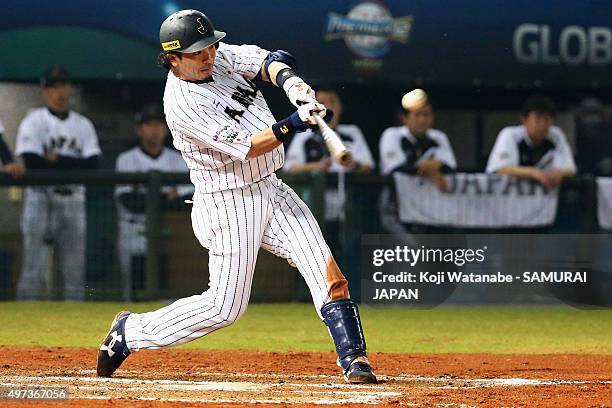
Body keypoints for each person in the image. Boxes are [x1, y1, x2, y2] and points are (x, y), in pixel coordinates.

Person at [96, 9, 377, 384]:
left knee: (323, 266)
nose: (208, 56)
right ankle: (130, 332)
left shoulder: (219, 56)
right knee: (225, 307)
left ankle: (354, 358)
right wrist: (294, 122)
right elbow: (248, 146)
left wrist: (292, 84)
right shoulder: (182, 105)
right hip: (227, 200)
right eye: (197, 53)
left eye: (210, 46)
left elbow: (269, 61)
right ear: (173, 58)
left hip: (270, 188)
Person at [15, 66, 101, 300]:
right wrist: (72, 163)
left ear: (70, 88)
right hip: (39, 198)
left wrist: (56, 159)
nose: (59, 92)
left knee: (74, 268)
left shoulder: (83, 125)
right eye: (53, 86)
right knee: (34, 265)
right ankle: (27, 317)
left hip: (72, 199)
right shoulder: (33, 122)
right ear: (45, 91)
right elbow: (32, 163)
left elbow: (92, 165)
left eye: (63, 85)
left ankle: (73, 320)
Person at [115, 104, 192, 301]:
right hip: (134, 230)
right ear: (139, 129)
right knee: (133, 292)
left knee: (166, 291)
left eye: (158, 124)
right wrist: (167, 197)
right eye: (148, 124)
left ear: (166, 129)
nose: (154, 130)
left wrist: (153, 198)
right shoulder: (126, 159)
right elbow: (129, 201)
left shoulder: (178, 159)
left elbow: (188, 200)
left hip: (168, 232)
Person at [283, 87, 374, 252]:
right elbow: (289, 168)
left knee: (347, 257)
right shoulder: (304, 135)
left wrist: (353, 164)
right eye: (322, 102)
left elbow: (369, 166)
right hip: (314, 210)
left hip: (347, 211)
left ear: (340, 107)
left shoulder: (352, 132)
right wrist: (315, 166)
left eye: (332, 101)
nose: (327, 106)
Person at [378, 90, 456, 233]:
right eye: (417, 114)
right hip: (396, 206)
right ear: (405, 118)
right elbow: (394, 168)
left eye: (426, 114)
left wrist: (435, 166)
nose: (422, 120)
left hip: (430, 207)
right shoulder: (392, 135)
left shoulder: (439, 137)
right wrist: (432, 168)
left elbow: (450, 167)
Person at [486, 95, 576, 189]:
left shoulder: (556, 136)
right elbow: (500, 169)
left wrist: (560, 174)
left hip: (543, 197)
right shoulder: (510, 135)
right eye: (537, 119)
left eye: (547, 119)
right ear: (524, 120)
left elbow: (570, 169)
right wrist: (533, 172)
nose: (542, 124)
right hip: (506, 196)